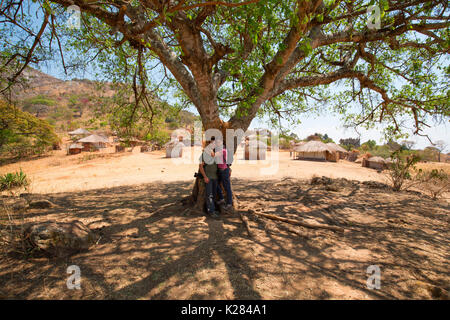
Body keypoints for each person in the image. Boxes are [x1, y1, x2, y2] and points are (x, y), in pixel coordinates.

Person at [199, 139, 220, 218]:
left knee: (214, 194)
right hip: (208, 177)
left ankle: (213, 209)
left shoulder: (216, 153)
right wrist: (205, 177)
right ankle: (211, 211)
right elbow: (200, 166)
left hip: (215, 177)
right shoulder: (204, 154)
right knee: (209, 195)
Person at [215, 139, 233, 210]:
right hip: (219, 170)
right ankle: (222, 198)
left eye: (219, 142)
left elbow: (213, 155)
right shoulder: (219, 150)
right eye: (217, 142)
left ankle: (229, 203)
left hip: (224, 171)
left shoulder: (223, 150)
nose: (217, 144)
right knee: (216, 184)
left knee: (227, 187)